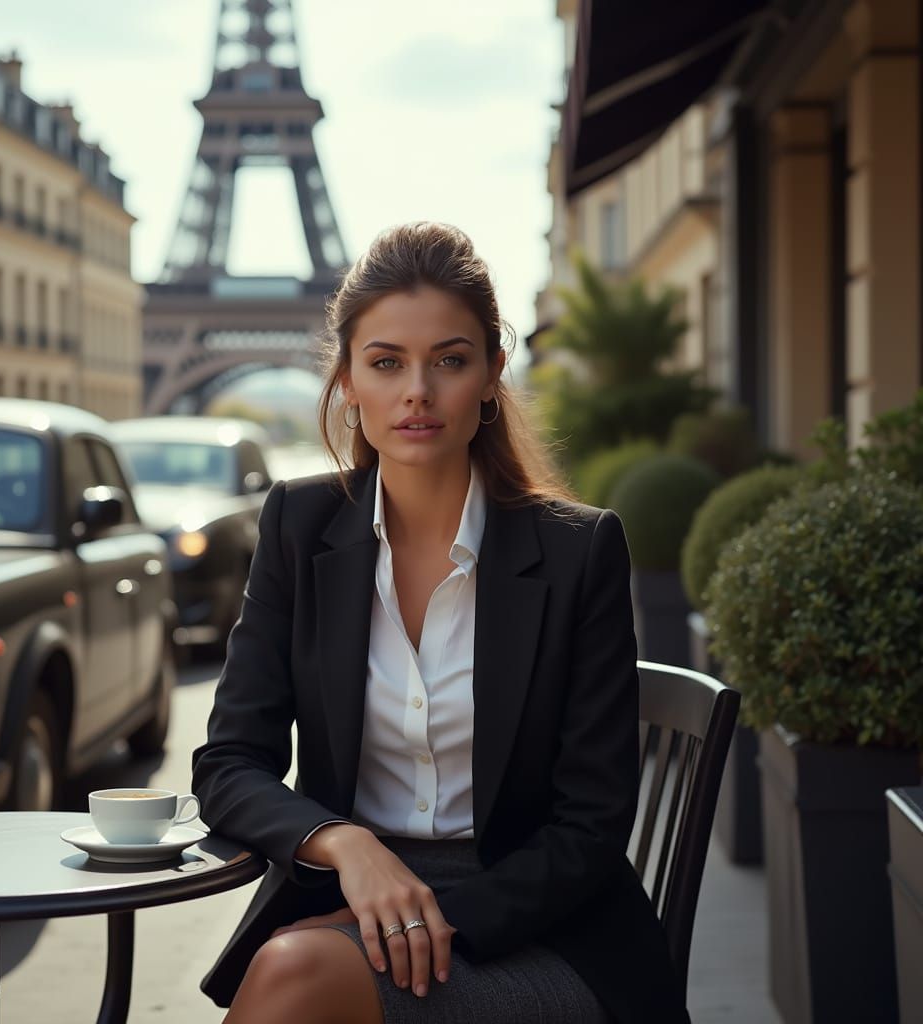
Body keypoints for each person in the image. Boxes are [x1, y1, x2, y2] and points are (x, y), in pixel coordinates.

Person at [191, 222, 690, 1024]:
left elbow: (591, 825)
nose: (416, 391)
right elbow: (229, 763)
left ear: (492, 374)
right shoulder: (297, 523)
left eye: (449, 361)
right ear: (347, 380)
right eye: (386, 362)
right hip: (357, 895)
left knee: (292, 977)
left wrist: (427, 921)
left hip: (542, 927)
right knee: (296, 971)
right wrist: (346, 846)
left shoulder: (577, 551)